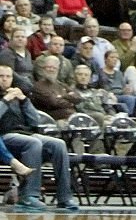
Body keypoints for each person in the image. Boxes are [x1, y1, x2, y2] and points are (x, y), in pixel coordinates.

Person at [0, 64, 78, 210]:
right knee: (34, 142)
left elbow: (35, 121)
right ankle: (29, 196)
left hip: (25, 133)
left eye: (8, 76)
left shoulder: (17, 96)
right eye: (1, 76)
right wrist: (5, 100)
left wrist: (24, 101)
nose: (4, 79)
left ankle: (65, 197)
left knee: (58, 144)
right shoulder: (6, 97)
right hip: (4, 137)